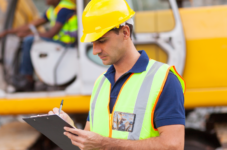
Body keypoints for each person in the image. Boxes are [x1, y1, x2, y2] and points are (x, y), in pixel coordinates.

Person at [48, 0, 186, 149]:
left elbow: (173, 145)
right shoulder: (101, 83)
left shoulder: (164, 79)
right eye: (93, 43)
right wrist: (71, 129)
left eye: (102, 41)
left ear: (125, 32)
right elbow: (91, 143)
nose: (95, 50)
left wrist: (105, 144)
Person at [0, 0, 77, 91]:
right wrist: (7, 32)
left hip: (68, 45)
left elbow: (51, 34)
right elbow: (30, 25)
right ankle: (30, 76)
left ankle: (27, 78)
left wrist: (29, 35)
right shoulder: (52, 10)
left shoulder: (64, 9)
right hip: (59, 43)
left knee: (29, 41)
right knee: (28, 40)